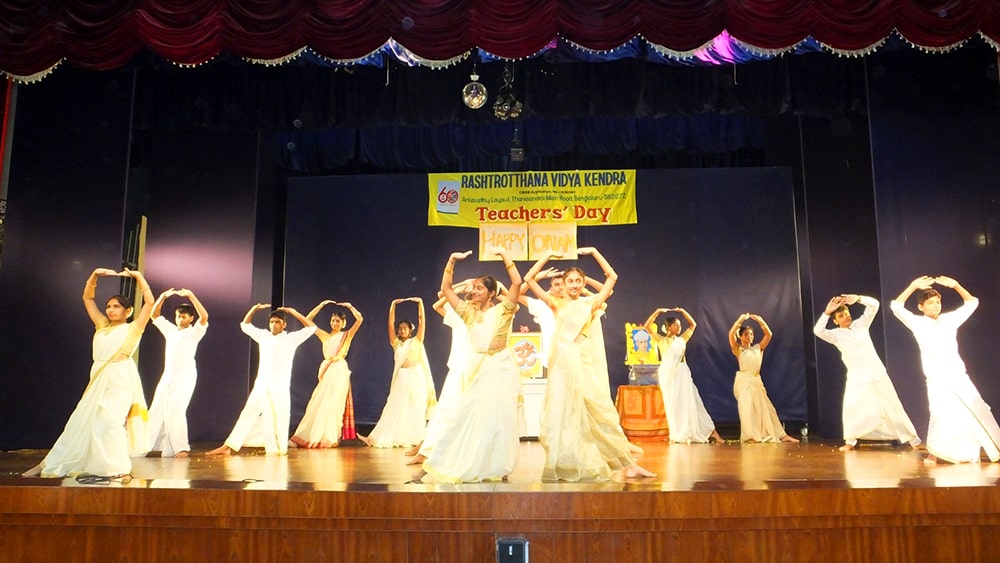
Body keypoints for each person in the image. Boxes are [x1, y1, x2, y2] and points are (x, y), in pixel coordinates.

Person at [526, 248, 655, 481]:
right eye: (570, 281)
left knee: (602, 413)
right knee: (566, 415)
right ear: (563, 284)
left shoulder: (591, 302)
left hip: (582, 364)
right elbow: (528, 280)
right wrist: (547, 256)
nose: (574, 285)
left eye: (578, 281)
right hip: (562, 366)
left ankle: (626, 464)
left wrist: (595, 252)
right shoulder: (555, 303)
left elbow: (612, 278)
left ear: (583, 282)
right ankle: (565, 463)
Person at [23, 267, 153, 478]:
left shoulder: (134, 327)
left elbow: (149, 303)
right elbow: (87, 298)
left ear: (128, 311)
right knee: (81, 423)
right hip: (98, 379)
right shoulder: (101, 326)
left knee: (111, 423)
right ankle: (50, 463)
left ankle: (116, 467)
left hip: (120, 380)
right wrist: (94, 276)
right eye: (109, 306)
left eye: (117, 307)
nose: (111, 310)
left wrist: (139, 277)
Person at [410, 248, 524, 483]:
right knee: (463, 418)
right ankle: (431, 468)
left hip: (502, 369)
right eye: (473, 287)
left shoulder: (504, 310)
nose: (473, 291)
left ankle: (497, 466)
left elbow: (517, 282)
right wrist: (451, 260)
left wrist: (504, 256)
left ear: (491, 293)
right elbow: (446, 290)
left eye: (479, 287)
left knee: (501, 420)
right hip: (479, 369)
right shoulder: (467, 313)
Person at [891, 275, 1000, 464]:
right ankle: (934, 452)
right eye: (930, 302)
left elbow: (972, 302)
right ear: (921, 307)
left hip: (957, 375)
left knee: (977, 409)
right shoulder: (917, 322)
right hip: (936, 378)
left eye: (937, 302)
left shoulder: (949, 320)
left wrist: (956, 285)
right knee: (940, 413)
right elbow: (896, 306)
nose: (935, 305)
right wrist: (912, 286)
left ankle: (995, 447)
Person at [813, 294, 921, 452]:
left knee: (893, 405)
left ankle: (913, 440)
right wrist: (827, 313)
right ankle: (850, 440)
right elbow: (818, 331)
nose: (846, 317)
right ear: (836, 321)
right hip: (857, 376)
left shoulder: (861, 324)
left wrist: (857, 299)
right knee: (852, 408)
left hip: (877, 372)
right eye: (841, 316)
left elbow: (874, 305)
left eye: (848, 314)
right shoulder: (835, 335)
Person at [206, 303, 315, 456]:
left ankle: (277, 450)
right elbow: (245, 325)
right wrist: (254, 309)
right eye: (271, 322)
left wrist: (295, 312)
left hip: (278, 386)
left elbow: (311, 328)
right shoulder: (264, 336)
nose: (273, 325)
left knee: (276, 417)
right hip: (261, 383)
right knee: (247, 413)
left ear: (284, 324)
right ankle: (228, 446)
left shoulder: (291, 338)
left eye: (277, 322)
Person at [360, 297, 436, 448]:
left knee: (415, 407)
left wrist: (420, 303)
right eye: (400, 328)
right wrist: (392, 305)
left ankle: (417, 439)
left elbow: (421, 321)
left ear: (410, 330)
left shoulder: (417, 341)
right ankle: (374, 437)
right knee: (394, 406)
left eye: (405, 328)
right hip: (401, 377)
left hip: (416, 377)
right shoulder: (396, 344)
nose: (402, 330)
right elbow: (389, 323)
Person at [642, 307, 723, 444]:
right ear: (668, 327)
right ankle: (678, 433)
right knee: (674, 405)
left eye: (679, 325)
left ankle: (711, 432)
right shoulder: (661, 340)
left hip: (682, 374)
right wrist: (657, 312)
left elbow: (693, 325)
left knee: (693, 403)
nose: (679, 327)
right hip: (670, 377)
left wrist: (683, 312)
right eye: (675, 325)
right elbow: (647, 326)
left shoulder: (682, 339)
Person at [289, 300, 363, 448]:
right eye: (333, 320)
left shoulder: (346, 335)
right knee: (317, 402)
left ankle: (329, 437)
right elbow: (307, 321)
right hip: (328, 370)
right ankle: (308, 435)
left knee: (333, 404)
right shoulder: (324, 336)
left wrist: (349, 306)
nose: (335, 323)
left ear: (343, 323)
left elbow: (360, 319)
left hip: (339, 371)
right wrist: (321, 305)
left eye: (338, 321)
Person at [146, 288, 209, 458]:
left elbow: (204, 317)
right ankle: (143, 446)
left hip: (186, 377)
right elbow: (154, 315)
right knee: (156, 410)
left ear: (190, 318)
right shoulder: (171, 330)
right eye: (178, 316)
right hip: (168, 376)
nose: (180, 319)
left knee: (176, 411)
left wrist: (191, 296)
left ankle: (180, 448)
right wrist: (162, 297)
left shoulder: (195, 331)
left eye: (183, 317)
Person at [728, 313, 799, 443]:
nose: (750, 336)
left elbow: (769, 334)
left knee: (767, 409)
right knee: (747, 408)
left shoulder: (758, 348)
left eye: (751, 334)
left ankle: (781, 435)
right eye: (746, 334)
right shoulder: (738, 349)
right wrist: (740, 320)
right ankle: (750, 436)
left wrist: (761, 321)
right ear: (741, 336)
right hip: (744, 381)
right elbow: (731, 334)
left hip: (756, 381)